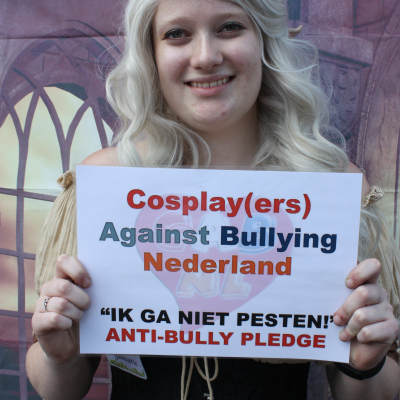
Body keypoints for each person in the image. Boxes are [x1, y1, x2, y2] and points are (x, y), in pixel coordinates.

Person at [26, 0, 400, 399]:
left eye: (229, 27)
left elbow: (375, 390)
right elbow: (59, 390)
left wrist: (365, 364)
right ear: (152, 54)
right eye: (177, 34)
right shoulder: (104, 184)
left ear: (265, 42)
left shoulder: (334, 191)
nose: (205, 57)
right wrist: (58, 355)